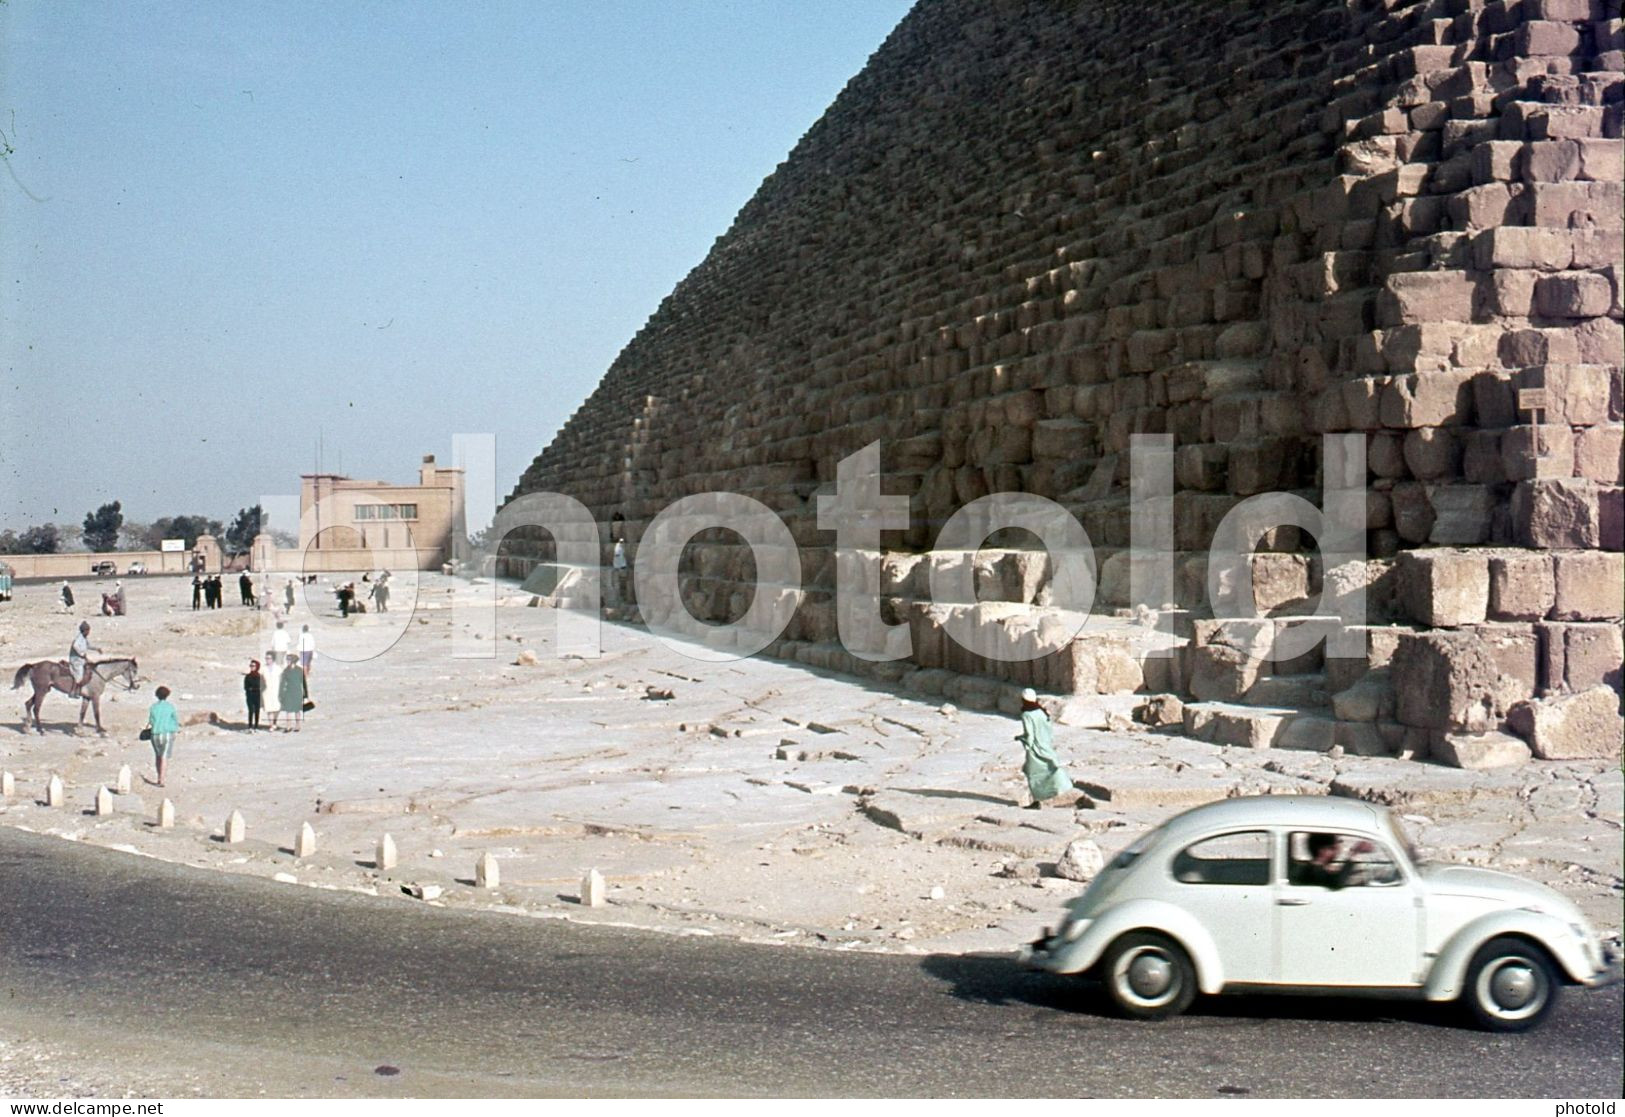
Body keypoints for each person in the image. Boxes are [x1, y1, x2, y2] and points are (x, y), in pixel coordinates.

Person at [1015, 687, 1072, 809]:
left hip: (1035, 748)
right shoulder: (1042, 711)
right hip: (1045, 745)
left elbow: (1029, 734)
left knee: (1033, 773)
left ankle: (1039, 799)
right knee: (1049, 768)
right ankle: (1053, 792)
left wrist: (1023, 741)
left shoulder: (1027, 714)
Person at [1295, 833, 1375, 890]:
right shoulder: (1314, 871)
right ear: (1322, 850)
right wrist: (1353, 854)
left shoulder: (1312, 868)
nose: (1337, 853)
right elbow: (1336, 882)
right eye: (1333, 849)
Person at [145, 685, 181, 787]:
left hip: (155, 734)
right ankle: (161, 779)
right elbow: (175, 720)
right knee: (164, 757)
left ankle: (158, 777)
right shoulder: (170, 707)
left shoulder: (153, 707)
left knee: (158, 756)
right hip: (167, 734)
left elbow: (151, 721)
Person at [68, 621, 100, 697]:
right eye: (88, 631)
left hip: (81, 659)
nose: (89, 632)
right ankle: (73, 692)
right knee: (79, 674)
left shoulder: (84, 638)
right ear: (84, 631)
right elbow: (75, 646)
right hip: (76, 659)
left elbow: (88, 646)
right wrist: (81, 654)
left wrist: (97, 649)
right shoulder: (79, 638)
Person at [277, 653, 307, 732]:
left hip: (297, 692)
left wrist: (306, 694)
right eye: (287, 659)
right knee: (288, 710)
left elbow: (303, 682)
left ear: (293, 661)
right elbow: (282, 683)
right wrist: (280, 693)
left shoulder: (299, 670)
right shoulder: (286, 670)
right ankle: (288, 726)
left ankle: (298, 726)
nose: (287, 661)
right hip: (288, 692)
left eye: (289, 659)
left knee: (297, 710)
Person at [263, 650, 283, 731]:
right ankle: (271, 725)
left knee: (277, 708)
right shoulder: (263, 669)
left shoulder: (278, 669)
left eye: (269, 658)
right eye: (266, 658)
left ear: (273, 659)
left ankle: (274, 722)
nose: (267, 660)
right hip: (266, 691)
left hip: (276, 690)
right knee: (269, 708)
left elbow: (282, 679)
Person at [243, 659, 264, 730]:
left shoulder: (260, 677)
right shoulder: (248, 676)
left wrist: (259, 689)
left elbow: (264, 686)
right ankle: (250, 725)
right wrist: (250, 689)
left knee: (257, 711)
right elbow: (245, 687)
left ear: (257, 667)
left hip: (258, 696)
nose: (251, 667)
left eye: (253, 666)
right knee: (251, 710)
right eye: (250, 666)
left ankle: (256, 725)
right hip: (250, 696)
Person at [612, 539, 630, 606]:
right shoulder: (618, 546)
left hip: (620, 557)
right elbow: (617, 553)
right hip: (618, 557)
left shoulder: (621, 546)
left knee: (622, 562)